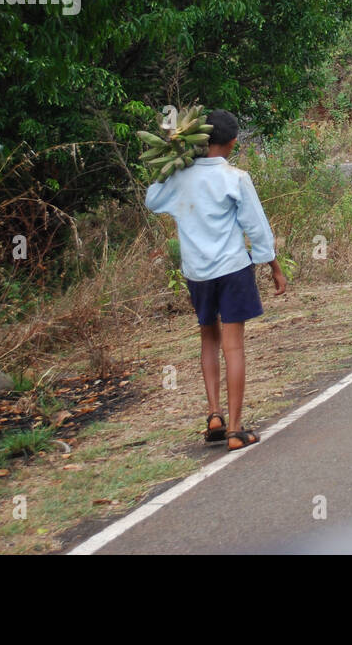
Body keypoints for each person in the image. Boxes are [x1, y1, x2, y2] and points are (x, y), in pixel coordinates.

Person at [144, 109, 287, 450]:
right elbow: (256, 227)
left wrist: (173, 162)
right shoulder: (235, 177)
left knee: (209, 338)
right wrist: (273, 266)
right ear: (233, 143)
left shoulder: (180, 176)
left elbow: (152, 200)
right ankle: (236, 430)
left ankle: (214, 416)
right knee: (233, 346)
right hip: (233, 269)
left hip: (198, 273)